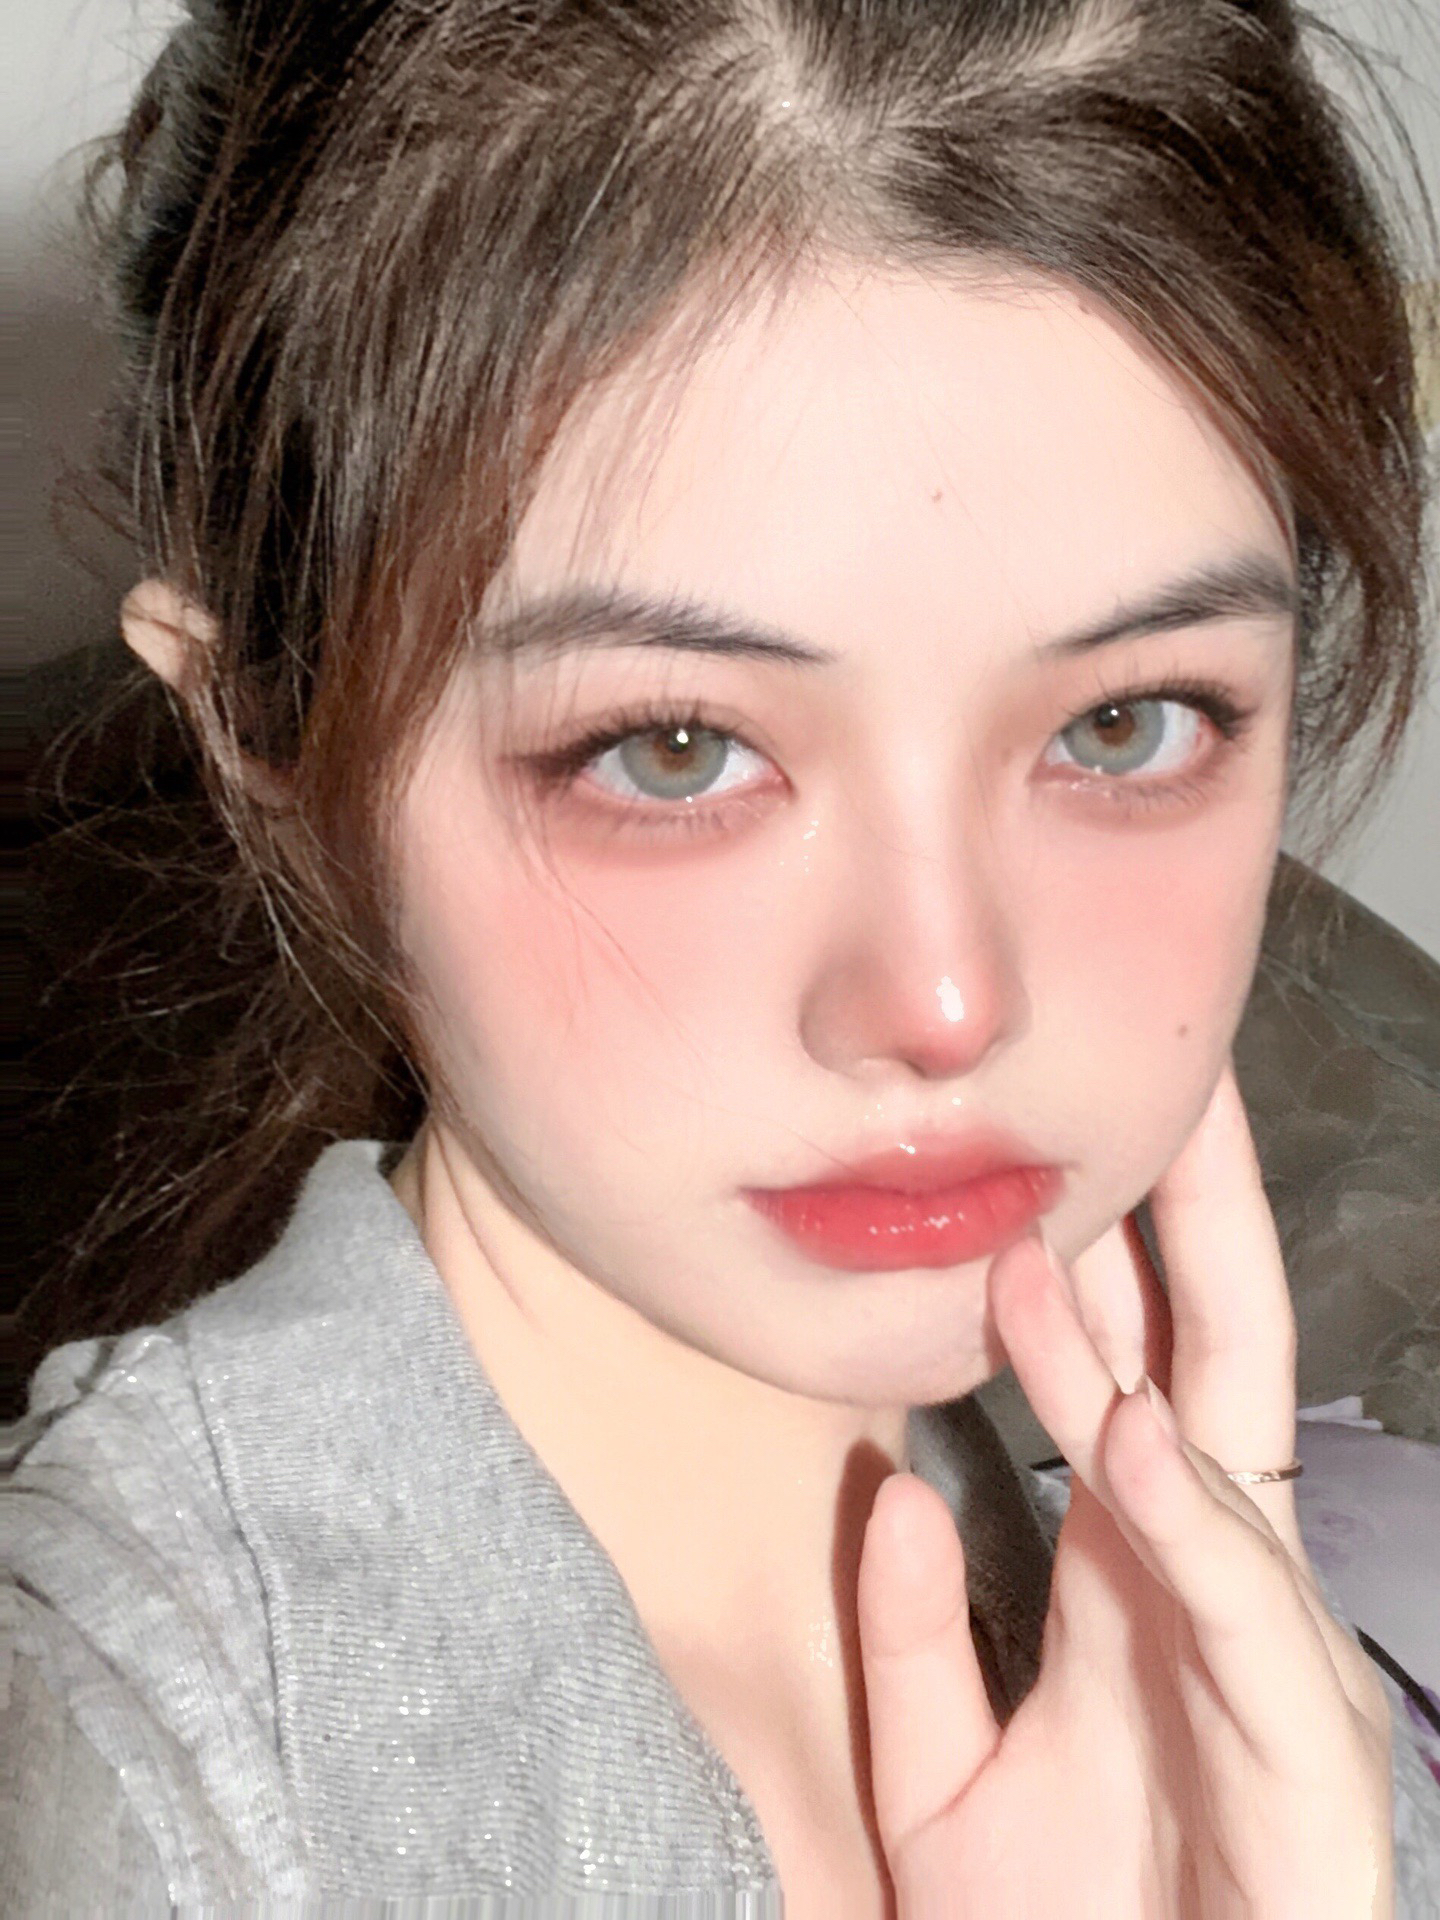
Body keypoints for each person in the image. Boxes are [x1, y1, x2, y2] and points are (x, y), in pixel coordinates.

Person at [5, 0, 1439, 1912]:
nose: (948, 1002)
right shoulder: (127, 1782)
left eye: (1127, 724)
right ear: (266, 750)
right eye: (673, 751)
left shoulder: (1260, 1714)